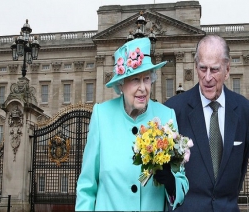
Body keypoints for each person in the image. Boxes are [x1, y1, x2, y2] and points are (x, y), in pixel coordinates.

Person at [75, 37, 189, 211]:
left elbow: (182, 182)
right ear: (121, 84)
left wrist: (171, 183)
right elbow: (87, 187)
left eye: (146, 79)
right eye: (135, 80)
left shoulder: (166, 116)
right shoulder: (102, 116)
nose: (143, 88)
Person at [164, 34, 249, 211]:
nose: (207, 77)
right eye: (203, 69)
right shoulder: (174, 110)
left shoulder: (244, 110)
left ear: (227, 70)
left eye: (215, 69)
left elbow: (240, 170)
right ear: (195, 67)